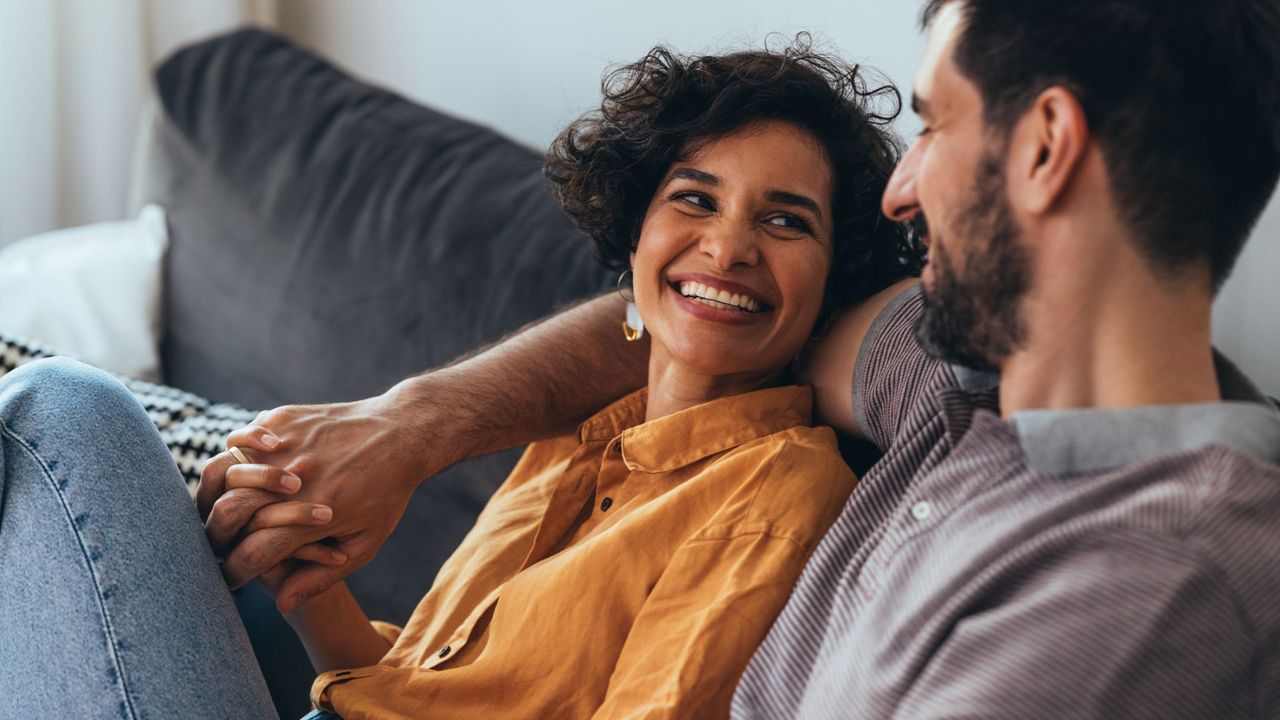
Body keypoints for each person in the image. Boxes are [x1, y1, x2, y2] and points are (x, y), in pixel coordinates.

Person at [209, 0, 1280, 717]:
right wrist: (409, 427)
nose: (901, 194)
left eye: (936, 124)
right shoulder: (947, 385)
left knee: (67, 425)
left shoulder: (1144, 580)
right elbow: (709, 318)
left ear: (1043, 148)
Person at [0, 42, 921, 717]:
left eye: (787, 221)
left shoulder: (783, 491)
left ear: (834, 280)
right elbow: (425, 685)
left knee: (63, 413)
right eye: (694, 198)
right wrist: (304, 567)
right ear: (635, 235)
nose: (728, 245)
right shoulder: (581, 430)